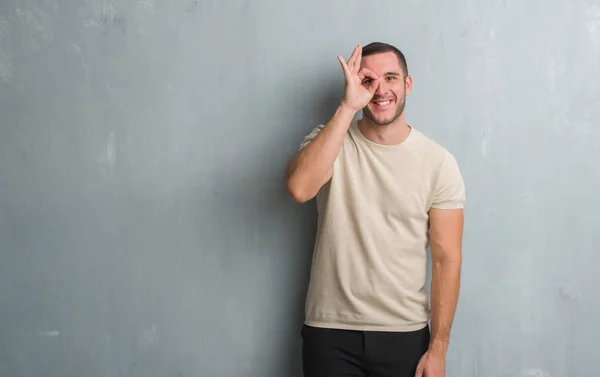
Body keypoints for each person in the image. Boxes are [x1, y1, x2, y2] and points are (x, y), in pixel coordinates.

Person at [284, 42, 466, 377]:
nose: (381, 89)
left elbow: (446, 259)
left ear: (407, 85)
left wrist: (438, 349)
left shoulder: (438, 163)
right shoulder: (330, 141)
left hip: (404, 333)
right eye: (369, 80)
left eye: (391, 78)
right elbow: (298, 188)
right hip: (330, 330)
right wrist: (347, 107)